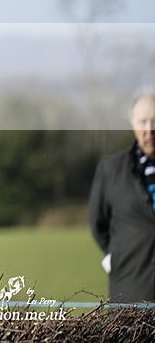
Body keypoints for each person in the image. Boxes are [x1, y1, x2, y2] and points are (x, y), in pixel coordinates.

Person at [89, 89, 155, 302]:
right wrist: (118, 256)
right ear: (133, 124)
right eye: (143, 121)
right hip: (129, 292)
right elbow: (98, 225)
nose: (149, 129)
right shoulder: (110, 170)